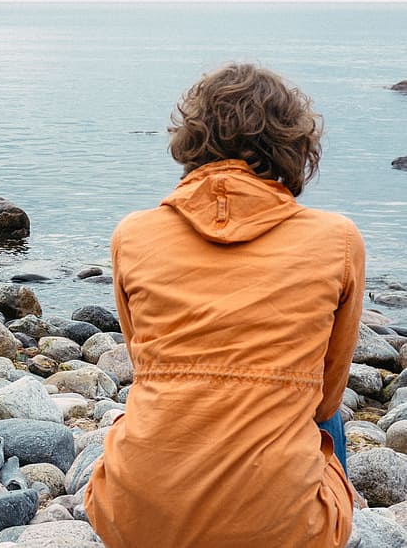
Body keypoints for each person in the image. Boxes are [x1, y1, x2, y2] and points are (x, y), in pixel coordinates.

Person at [84, 63, 364, 548]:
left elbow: (142, 361)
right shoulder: (337, 238)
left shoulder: (133, 233)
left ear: (192, 139)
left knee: (153, 398)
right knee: (325, 415)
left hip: (136, 517)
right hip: (285, 529)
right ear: (293, 145)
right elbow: (327, 395)